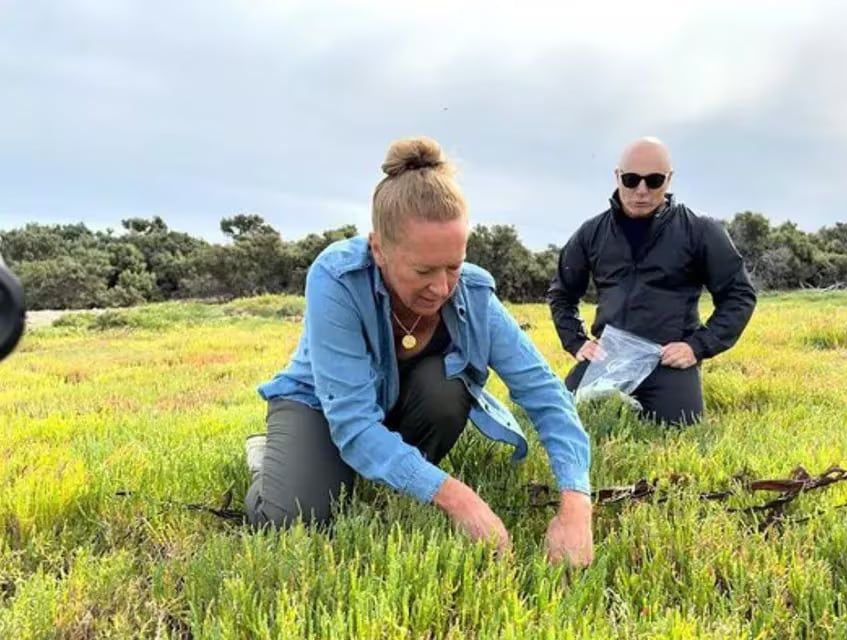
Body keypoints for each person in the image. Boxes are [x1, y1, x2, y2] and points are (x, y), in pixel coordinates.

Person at [245, 137, 593, 566]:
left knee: (446, 389)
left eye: (453, 265)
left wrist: (577, 506)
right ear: (379, 249)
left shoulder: (474, 292)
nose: (442, 288)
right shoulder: (336, 278)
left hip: (401, 404)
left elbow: (544, 392)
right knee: (293, 521)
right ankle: (272, 458)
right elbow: (352, 421)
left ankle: (387, 471)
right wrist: (458, 498)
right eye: (423, 270)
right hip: (320, 404)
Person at [547, 137, 756, 425]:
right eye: (631, 180)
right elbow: (561, 293)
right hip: (608, 356)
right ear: (617, 176)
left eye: (654, 180)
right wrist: (576, 341)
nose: (641, 191)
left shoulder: (700, 230)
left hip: (667, 358)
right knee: (563, 417)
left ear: (669, 180)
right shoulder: (591, 233)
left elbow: (739, 294)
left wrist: (697, 346)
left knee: (679, 427)